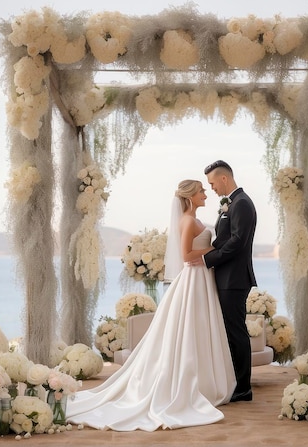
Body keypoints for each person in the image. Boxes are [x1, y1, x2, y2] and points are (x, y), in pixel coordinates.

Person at [65, 180, 236, 431]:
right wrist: (215, 250)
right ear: (190, 196)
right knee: (191, 327)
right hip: (193, 278)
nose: (205, 195)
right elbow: (187, 255)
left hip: (203, 279)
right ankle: (190, 385)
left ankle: (206, 382)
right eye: (201, 191)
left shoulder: (194, 219)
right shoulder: (187, 221)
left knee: (202, 327)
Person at [202, 160, 257, 403]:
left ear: (224, 178)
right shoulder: (232, 203)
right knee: (230, 332)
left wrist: (207, 259)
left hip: (234, 279)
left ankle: (243, 388)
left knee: (236, 333)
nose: (212, 188)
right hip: (227, 277)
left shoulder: (242, 204)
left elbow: (238, 243)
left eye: (212, 183)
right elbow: (225, 239)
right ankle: (234, 382)